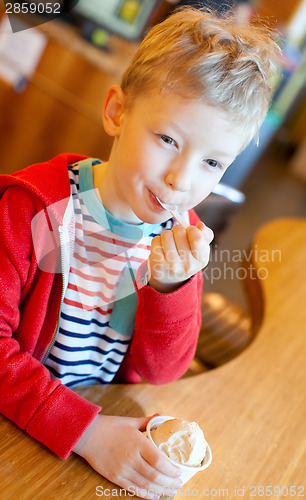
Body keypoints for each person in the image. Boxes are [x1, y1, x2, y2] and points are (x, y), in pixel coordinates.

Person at [0, 7, 279, 500]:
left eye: (212, 162)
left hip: (96, 436)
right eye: (168, 139)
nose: (181, 181)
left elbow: (159, 375)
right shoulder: (42, 212)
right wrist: (85, 432)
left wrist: (171, 288)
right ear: (116, 112)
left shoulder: (178, 234)